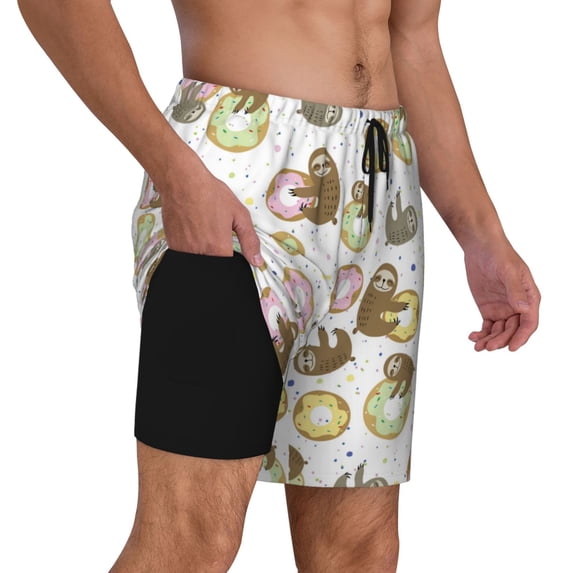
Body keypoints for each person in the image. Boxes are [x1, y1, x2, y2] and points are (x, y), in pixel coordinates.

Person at [18, 0, 540, 571]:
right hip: (235, 179)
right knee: (190, 540)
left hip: (380, 197)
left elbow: (412, 37)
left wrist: (482, 236)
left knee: (359, 550)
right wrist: (174, 172)